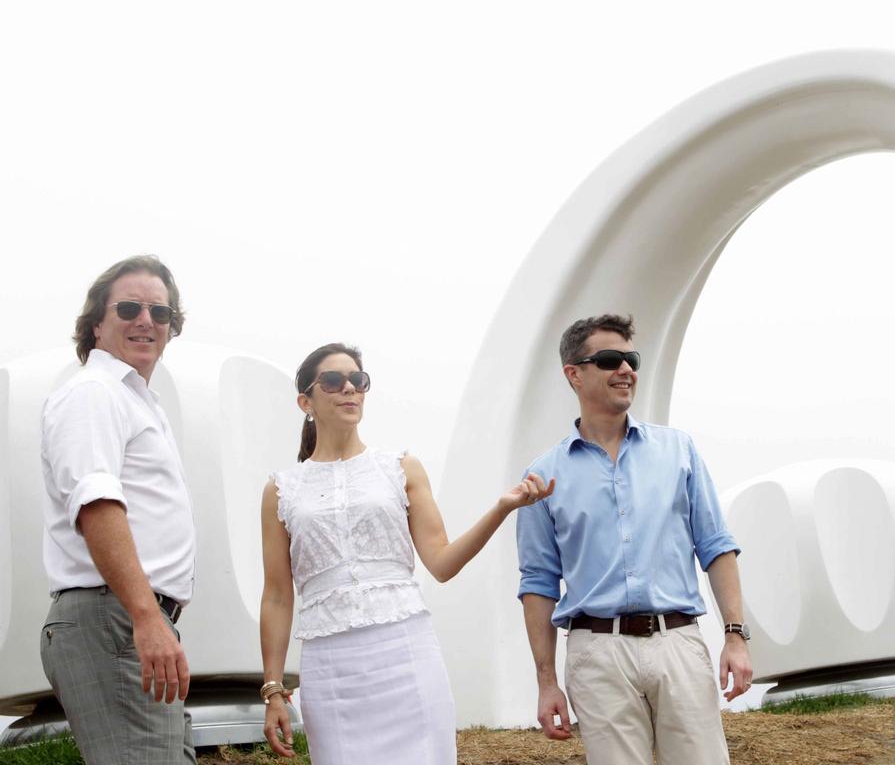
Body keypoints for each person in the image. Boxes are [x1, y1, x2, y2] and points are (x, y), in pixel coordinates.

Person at [259, 342, 553, 764]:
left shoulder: (400, 467)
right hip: (331, 670)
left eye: (358, 381)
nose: (349, 389)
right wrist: (272, 688)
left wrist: (502, 508)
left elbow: (442, 563)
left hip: (406, 657)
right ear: (305, 400)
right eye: (333, 381)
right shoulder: (280, 490)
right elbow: (276, 595)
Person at [516, 314, 753, 765]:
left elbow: (716, 546)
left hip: (678, 641)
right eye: (610, 360)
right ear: (574, 374)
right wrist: (547, 681)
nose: (626, 369)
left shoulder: (678, 451)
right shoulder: (542, 476)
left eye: (631, 359)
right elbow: (538, 583)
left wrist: (736, 637)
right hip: (596, 653)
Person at [39, 255, 196, 764]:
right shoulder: (94, 392)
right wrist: (146, 616)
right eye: (129, 307)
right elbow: (96, 506)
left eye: (161, 312)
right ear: (96, 324)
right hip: (118, 618)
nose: (146, 320)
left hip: (129, 619)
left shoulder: (135, 400)